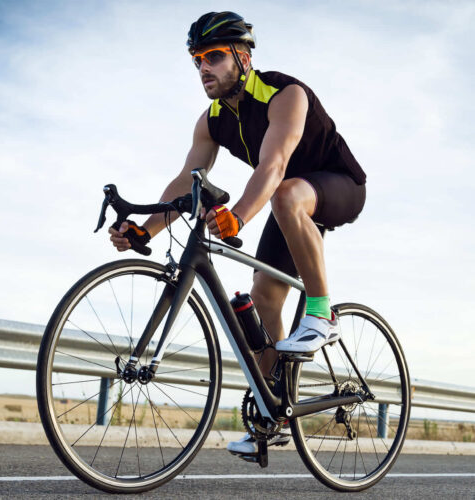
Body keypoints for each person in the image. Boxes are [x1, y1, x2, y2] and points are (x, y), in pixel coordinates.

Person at [109, 11, 366, 457]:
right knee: (264, 294)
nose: (204, 68)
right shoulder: (211, 120)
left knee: (285, 194)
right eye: (196, 60)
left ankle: (322, 313)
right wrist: (143, 228)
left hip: (337, 184)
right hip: (287, 200)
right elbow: (186, 182)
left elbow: (274, 165)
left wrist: (240, 217)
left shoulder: (286, 94)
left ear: (243, 58)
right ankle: (273, 415)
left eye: (213, 57)